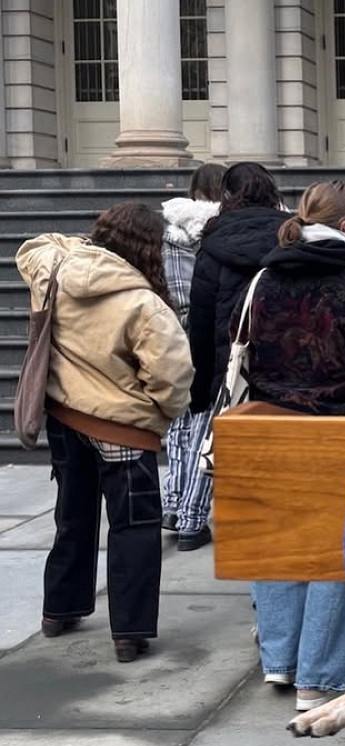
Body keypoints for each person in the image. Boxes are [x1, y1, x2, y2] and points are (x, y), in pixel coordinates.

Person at [244, 180, 345, 711]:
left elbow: (237, 339)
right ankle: (321, 674)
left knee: (280, 547)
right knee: (336, 554)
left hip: (271, 426)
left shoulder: (264, 278)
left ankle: (281, 661)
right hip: (341, 433)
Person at [16, 202, 193, 662]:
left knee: (72, 515)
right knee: (134, 526)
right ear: (150, 248)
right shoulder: (143, 303)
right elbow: (173, 376)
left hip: (62, 417)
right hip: (124, 428)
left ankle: (59, 609)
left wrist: (79, 247)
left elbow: (33, 246)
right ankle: (129, 633)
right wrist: (160, 415)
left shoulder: (52, 269)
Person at [185, 162, 289, 551]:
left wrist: (200, 388)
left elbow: (200, 317)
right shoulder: (290, 235)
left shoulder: (212, 243)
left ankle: (208, 526)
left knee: (225, 453)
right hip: (282, 364)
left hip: (228, 362)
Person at [160, 162, 225, 539]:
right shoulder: (224, 232)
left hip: (174, 339)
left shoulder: (170, 233)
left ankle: (172, 503)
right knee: (207, 427)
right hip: (212, 340)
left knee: (179, 426)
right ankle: (191, 517)